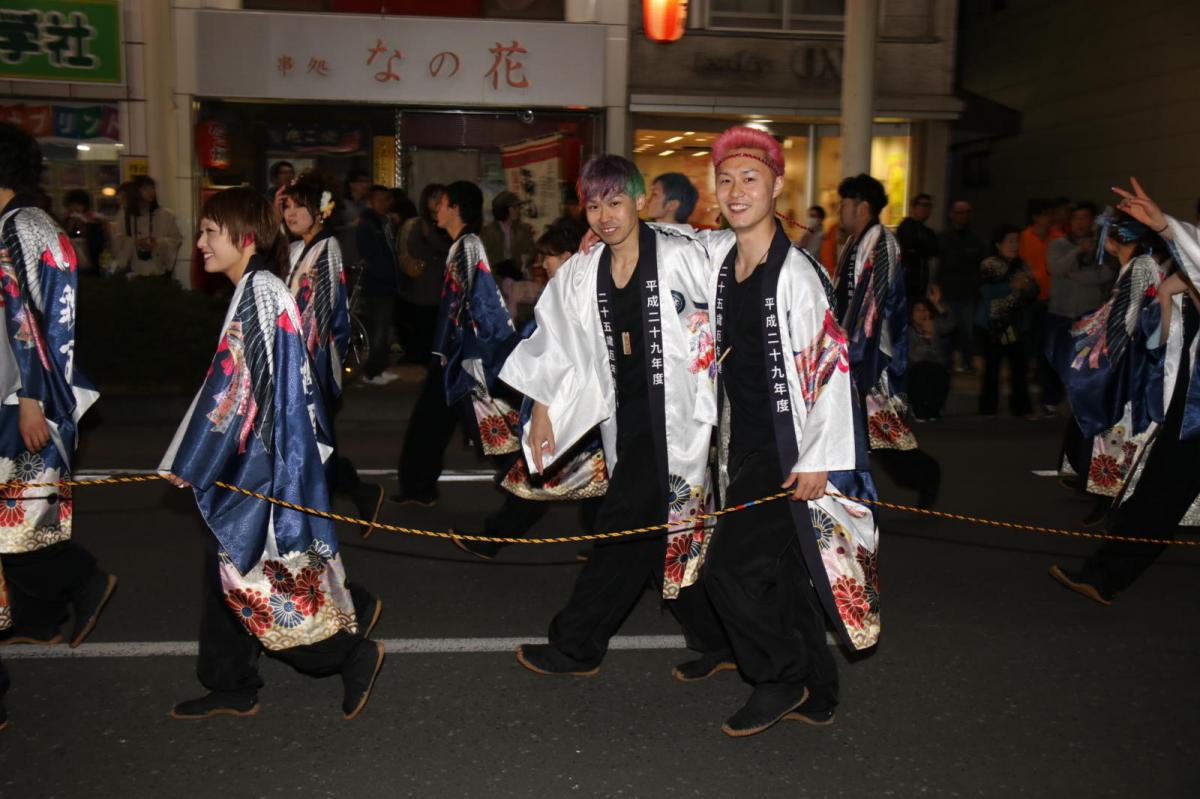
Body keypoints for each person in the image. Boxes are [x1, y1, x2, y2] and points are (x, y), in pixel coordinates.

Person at [663, 127, 873, 737]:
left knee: (731, 568)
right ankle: (820, 688)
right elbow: (672, 247)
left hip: (787, 449)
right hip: (740, 442)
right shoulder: (724, 258)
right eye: (725, 180)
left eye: (750, 178)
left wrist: (819, 457)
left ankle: (778, 676)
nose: (735, 191)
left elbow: (832, 368)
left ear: (777, 185)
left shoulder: (798, 274)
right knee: (782, 573)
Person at [160, 186, 384, 721]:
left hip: (261, 465)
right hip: (263, 456)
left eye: (212, 232)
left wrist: (194, 462)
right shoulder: (257, 287)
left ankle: (348, 655)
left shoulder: (259, 291)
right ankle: (231, 681)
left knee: (256, 581)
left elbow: (236, 390)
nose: (201, 243)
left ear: (246, 237)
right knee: (230, 571)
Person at [498, 155, 715, 681]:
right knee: (663, 532)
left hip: (680, 419)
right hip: (626, 419)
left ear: (639, 201)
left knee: (622, 529)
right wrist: (545, 410)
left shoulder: (683, 255)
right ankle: (722, 636)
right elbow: (558, 343)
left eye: (616, 202)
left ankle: (577, 645)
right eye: (594, 205)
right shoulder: (583, 270)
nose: (605, 215)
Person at [1048, 177, 1200, 604]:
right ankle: (1105, 575)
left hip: (1183, 403)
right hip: (1186, 405)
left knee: (1158, 496)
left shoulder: (1150, 268)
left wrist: (1168, 232)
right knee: (1156, 497)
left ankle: (1105, 574)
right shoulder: (1173, 270)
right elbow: (1166, 337)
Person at [0, 123, 111, 650]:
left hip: (23, 396)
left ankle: (83, 578)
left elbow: (32, 320)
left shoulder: (18, 226)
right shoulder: (28, 221)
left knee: (15, 522)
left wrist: (32, 401)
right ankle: (39, 619)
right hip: (26, 391)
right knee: (25, 515)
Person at [453, 215, 606, 562]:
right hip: (578, 410)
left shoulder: (577, 294)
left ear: (571, 255)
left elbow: (552, 355)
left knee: (539, 477)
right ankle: (610, 551)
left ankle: (494, 539)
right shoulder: (568, 290)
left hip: (574, 410)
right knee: (583, 486)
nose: (542, 264)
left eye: (549, 256)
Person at [280, 173, 386, 538]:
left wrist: (295, 362)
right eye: (287, 205)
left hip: (313, 363)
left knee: (313, 445)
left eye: (298, 206)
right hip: (300, 362)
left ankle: (313, 527)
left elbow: (317, 315)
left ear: (321, 211)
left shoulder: (327, 250)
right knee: (312, 443)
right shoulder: (298, 249)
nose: (290, 213)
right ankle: (357, 494)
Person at [1049, 211, 1166, 524]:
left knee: (1116, 426)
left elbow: (1128, 317)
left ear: (1115, 240)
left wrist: (1103, 354)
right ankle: (1106, 494)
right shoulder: (1139, 265)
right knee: (1112, 428)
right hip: (1127, 355)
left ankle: (1111, 498)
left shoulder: (1142, 267)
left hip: (1129, 361)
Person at [834, 174, 942, 508]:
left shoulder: (881, 242)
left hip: (873, 355)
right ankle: (844, 495)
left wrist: (851, 350)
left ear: (862, 207)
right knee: (870, 433)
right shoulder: (857, 241)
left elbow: (873, 306)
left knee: (883, 433)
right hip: (855, 350)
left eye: (844, 204)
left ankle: (924, 473)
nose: (839, 210)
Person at [1045, 202, 1115, 413]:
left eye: (1085, 218)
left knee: (1084, 361)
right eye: (1076, 218)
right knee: (1054, 357)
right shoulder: (1059, 244)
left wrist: (1075, 276)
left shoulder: (1103, 245)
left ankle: (1080, 402)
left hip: (1089, 313)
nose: (1080, 222)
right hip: (1060, 309)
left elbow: (1107, 274)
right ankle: (1051, 399)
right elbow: (1055, 268)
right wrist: (1077, 251)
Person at [977, 225, 1038, 417]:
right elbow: (986, 291)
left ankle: (1021, 409)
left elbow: (1033, 291)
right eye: (1010, 241)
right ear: (998, 244)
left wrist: (1027, 287)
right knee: (992, 369)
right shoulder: (990, 264)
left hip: (1017, 324)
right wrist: (1012, 286)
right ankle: (988, 409)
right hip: (994, 324)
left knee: (1019, 368)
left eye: (1016, 241)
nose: (1014, 245)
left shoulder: (1022, 264)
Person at [396, 184, 452, 365]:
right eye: (433, 198)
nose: (437, 202)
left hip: (442, 285)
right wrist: (434, 245)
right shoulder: (419, 224)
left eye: (441, 198)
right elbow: (415, 250)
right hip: (423, 285)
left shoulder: (448, 223)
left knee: (437, 327)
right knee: (423, 326)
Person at [356, 185, 400, 385]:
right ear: (371, 201)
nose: (383, 204)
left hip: (386, 283)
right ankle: (372, 372)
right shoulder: (367, 224)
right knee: (378, 330)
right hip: (376, 285)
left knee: (384, 329)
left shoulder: (383, 222)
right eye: (379, 200)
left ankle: (380, 367)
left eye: (386, 199)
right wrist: (381, 274)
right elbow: (369, 255)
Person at [936, 199, 986, 372]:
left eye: (966, 212)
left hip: (968, 292)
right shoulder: (943, 238)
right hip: (947, 290)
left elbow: (982, 266)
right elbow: (937, 264)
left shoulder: (976, 240)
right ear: (951, 215)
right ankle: (946, 361)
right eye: (959, 212)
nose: (963, 216)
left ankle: (967, 360)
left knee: (967, 330)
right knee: (947, 328)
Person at [110, 175, 182, 277]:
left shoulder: (166, 215)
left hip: (158, 271)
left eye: (152, 188)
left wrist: (158, 243)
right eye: (145, 189)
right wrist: (135, 242)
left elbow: (176, 239)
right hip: (133, 272)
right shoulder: (124, 216)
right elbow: (117, 245)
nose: (150, 192)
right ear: (135, 192)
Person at [908, 289, 955, 421]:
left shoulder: (936, 325)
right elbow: (914, 357)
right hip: (916, 368)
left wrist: (937, 303)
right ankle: (919, 411)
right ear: (912, 314)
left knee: (939, 372)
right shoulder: (908, 330)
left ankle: (934, 410)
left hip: (937, 366)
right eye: (918, 310)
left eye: (925, 310)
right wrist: (925, 336)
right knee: (923, 371)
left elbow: (951, 322)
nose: (922, 313)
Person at [480, 191, 535, 282]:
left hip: (518, 276)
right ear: (504, 210)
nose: (518, 210)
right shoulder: (487, 232)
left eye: (518, 207)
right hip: (496, 277)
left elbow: (530, 252)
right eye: (514, 207)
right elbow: (483, 258)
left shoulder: (524, 229)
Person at [896, 192, 940, 305]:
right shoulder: (906, 226)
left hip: (922, 283)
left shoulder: (928, 232)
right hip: (906, 281)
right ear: (914, 207)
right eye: (923, 205)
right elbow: (911, 244)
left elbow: (933, 250)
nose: (926, 209)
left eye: (929, 206)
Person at [61, 189, 106, 274]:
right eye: (72, 205)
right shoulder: (66, 219)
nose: (75, 208)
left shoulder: (94, 219)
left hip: (90, 257)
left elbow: (98, 241)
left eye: (78, 204)